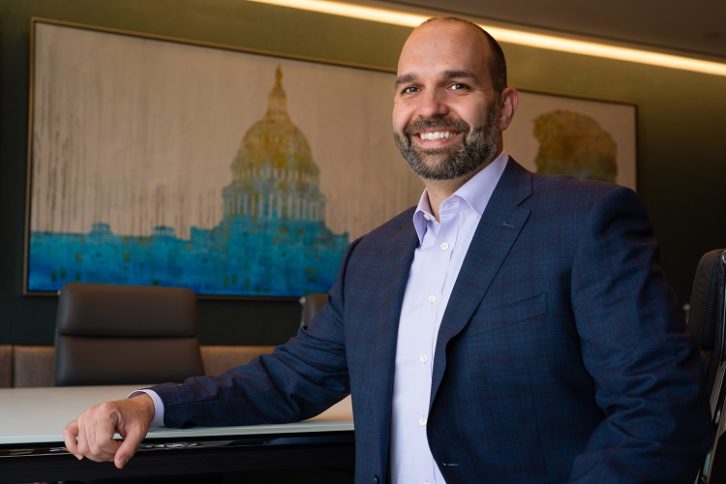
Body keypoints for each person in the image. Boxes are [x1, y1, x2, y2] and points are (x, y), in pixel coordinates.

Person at [64, 17, 711, 483]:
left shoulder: (587, 219)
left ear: (504, 104)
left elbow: (661, 410)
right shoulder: (372, 255)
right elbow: (291, 379)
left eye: (457, 85)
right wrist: (149, 403)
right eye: (410, 88)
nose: (430, 107)